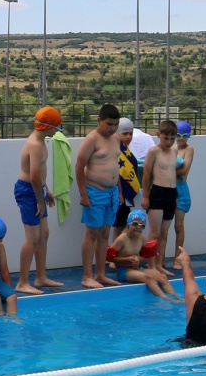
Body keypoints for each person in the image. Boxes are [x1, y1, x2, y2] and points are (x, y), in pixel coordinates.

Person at [13, 106, 65, 294]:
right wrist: (40, 201)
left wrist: (46, 190)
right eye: (56, 128)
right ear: (48, 127)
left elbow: (39, 175)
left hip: (37, 190)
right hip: (28, 192)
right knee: (33, 238)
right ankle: (22, 282)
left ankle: (41, 277)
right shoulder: (35, 144)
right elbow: (34, 176)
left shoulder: (41, 141)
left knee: (44, 234)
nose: (57, 132)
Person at [74, 104, 123, 289]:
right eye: (109, 124)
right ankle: (87, 276)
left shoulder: (116, 138)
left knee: (105, 234)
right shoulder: (92, 139)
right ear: (99, 121)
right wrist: (83, 194)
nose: (112, 128)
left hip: (111, 194)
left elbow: (115, 165)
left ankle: (100, 274)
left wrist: (119, 191)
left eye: (116, 124)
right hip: (94, 192)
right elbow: (79, 166)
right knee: (92, 233)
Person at [107, 210, 179, 301]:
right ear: (128, 224)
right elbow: (110, 258)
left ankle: (177, 297)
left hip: (137, 269)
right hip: (123, 271)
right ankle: (166, 299)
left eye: (142, 225)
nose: (138, 227)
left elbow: (146, 257)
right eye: (135, 224)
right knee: (147, 278)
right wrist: (127, 259)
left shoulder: (142, 238)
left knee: (163, 277)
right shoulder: (121, 239)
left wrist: (139, 259)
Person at [140, 120, 180, 270]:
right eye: (166, 138)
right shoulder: (154, 151)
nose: (169, 142)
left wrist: (176, 195)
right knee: (154, 232)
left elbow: (172, 172)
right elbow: (146, 174)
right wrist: (145, 196)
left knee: (164, 233)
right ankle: (150, 264)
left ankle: (159, 264)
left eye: (172, 138)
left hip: (171, 193)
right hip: (157, 192)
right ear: (158, 135)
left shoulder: (175, 150)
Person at [173, 121, 196, 259]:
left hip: (181, 190)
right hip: (169, 188)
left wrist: (164, 171)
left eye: (185, 135)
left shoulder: (189, 149)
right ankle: (159, 260)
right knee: (162, 229)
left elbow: (183, 171)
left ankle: (178, 258)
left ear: (188, 136)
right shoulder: (172, 148)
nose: (181, 138)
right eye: (178, 135)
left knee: (179, 226)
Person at [114, 118, 142, 230]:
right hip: (120, 194)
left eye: (131, 134)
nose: (128, 137)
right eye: (125, 134)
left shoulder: (126, 150)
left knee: (124, 225)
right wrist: (120, 193)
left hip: (126, 195)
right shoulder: (116, 150)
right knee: (120, 226)